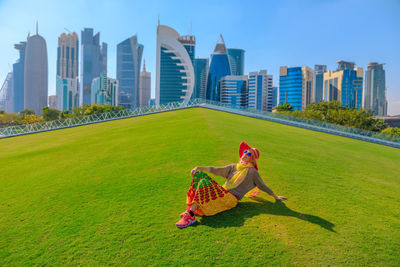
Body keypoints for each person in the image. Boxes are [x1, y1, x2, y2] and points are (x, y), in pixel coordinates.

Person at [176, 141, 287, 228]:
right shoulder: (235, 166)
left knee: (204, 182)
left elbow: (262, 185)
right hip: (223, 192)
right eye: (245, 152)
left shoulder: (253, 172)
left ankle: (190, 215)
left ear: (252, 159)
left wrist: (275, 197)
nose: (245, 154)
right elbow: (217, 169)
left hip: (231, 199)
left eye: (249, 154)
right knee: (199, 175)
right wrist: (199, 167)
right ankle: (191, 208)